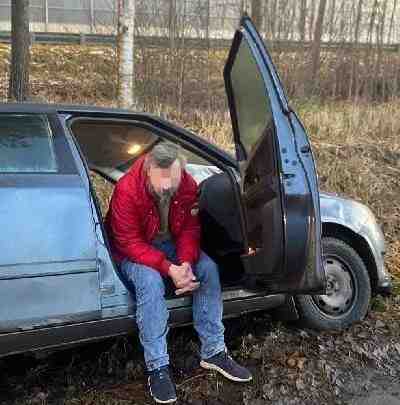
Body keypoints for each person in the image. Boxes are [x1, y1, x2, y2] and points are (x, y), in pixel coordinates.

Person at [105, 142, 252, 403]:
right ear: (148, 167)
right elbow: (128, 242)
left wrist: (184, 262)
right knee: (150, 282)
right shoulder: (126, 190)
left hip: (170, 245)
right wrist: (168, 268)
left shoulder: (186, 184)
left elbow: (190, 229)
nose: (166, 187)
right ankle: (158, 367)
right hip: (132, 250)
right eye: (161, 180)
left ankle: (214, 351)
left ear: (180, 172)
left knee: (207, 268)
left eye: (171, 181)